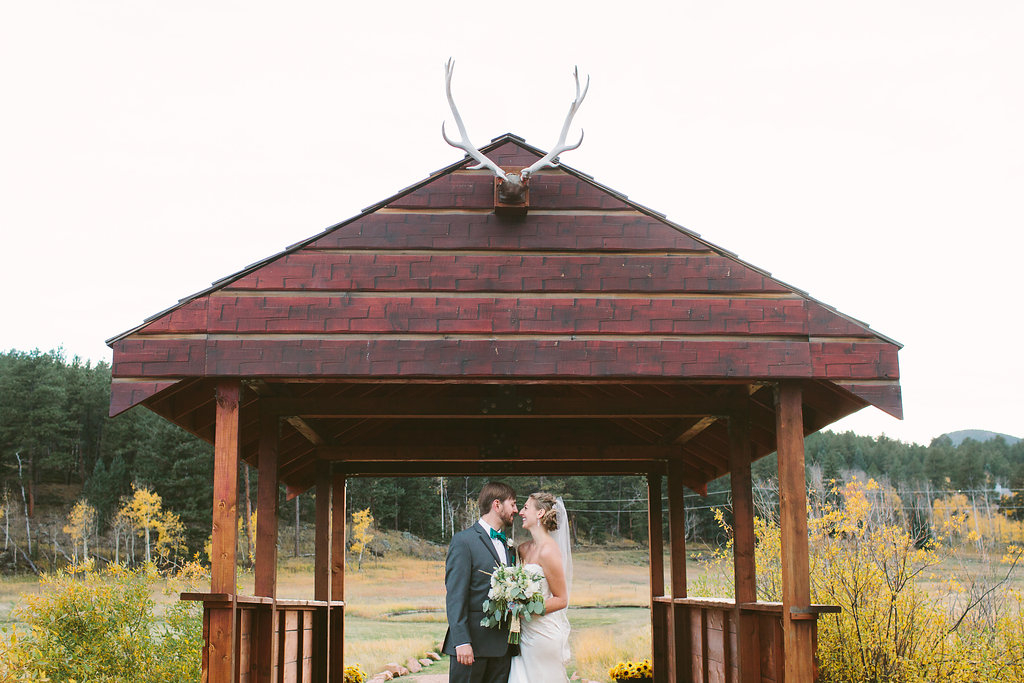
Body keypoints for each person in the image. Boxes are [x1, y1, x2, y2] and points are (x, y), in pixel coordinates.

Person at [443, 482, 519, 683]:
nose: (516, 510)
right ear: (497, 504)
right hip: (471, 647)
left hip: (502, 648)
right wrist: (461, 641)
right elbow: (455, 596)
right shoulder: (463, 541)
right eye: (512, 504)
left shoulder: (509, 546)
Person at [508, 492, 572, 683]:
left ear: (540, 513)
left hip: (543, 634)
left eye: (526, 508)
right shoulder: (523, 549)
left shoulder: (549, 550)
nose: (520, 512)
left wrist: (525, 610)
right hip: (523, 634)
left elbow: (561, 599)